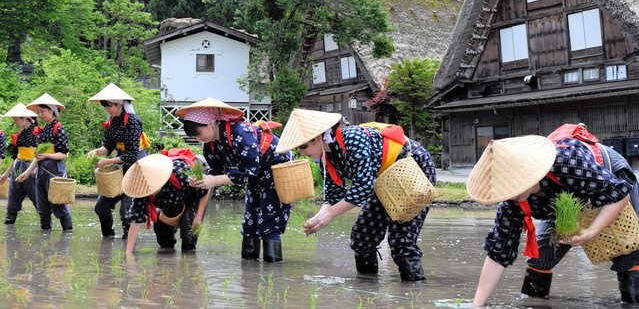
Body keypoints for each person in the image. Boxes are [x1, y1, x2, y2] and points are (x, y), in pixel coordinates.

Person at [468, 126, 639, 306]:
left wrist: (589, 233)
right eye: (506, 190)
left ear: (527, 173)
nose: (512, 195)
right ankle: (533, 303)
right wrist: (476, 305)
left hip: (607, 175)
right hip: (562, 201)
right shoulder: (512, 202)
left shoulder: (566, 163)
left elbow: (620, 195)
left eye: (514, 186)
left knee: (629, 253)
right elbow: (498, 254)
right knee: (539, 258)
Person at [275, 108, 437, 281]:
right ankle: (367, 293)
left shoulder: (352, 138)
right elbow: (334, 195)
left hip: (412, 169)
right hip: (383, 180)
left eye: (303, 146)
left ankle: (414, 295)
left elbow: (363, 187)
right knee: (362, 237)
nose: (302, 152)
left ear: (318, 137)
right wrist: (318, 218)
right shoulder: (325, 158)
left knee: (401, 241)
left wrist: (329, 214)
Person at [177, 97, 293, 263]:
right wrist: (200, 179)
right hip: (254, 175)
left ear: (211, 124)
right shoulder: (210, 144)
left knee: (269, 220)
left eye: (198, 133)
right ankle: (250, 275)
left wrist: (215, 180)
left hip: (275, 169)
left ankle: (272, 272)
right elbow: (215, 172)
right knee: (249, 222)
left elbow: (251, 172)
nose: (198, 138)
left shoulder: (240, 132)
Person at [87, 83, 150, 239]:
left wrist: (106, 162)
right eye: (105, 107)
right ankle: (108, 239)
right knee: (101, 207)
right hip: (119, 163)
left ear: (119, 104)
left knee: (126, 211)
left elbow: (131, 154)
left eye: (109, 106)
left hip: (136, 164)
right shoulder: (112, 121)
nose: (107, 110)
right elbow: (107, 146)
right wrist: (97, 152)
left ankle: (128, 247)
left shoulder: (133, 121)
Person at [122, 153, 209, 255]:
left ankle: (189, 260)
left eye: (153, 187)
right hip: (173, 198)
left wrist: (198, 217)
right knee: (161, 229)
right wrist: (128, 253)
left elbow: (205, 189)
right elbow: (135, 220)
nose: (150, 191)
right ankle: (168, 258)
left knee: (188, 230)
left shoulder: (181, 173)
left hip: (196, 189)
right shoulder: (142, 189)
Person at [17, 94, 73, 231]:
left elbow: (63, 154)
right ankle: (45, 238)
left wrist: (47, 155)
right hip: (41, 172)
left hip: (54, 171)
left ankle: (68, 234)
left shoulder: (58, 128)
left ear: (51, 110)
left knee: (57, 203)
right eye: (38, 112)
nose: (39, 115)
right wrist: (27, 172)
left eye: (42, 111)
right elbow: (37, 157)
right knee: (42, 205)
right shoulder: (43, 130)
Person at [0, 103, 39, 224]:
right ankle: (9, 229)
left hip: (31, 169)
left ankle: (47, 228)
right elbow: (14, 157)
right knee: (12, 203)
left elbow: (40, 155)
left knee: (38, 201)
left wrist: (36, 169)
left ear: (25, 118)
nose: (15, 122)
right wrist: (6, 174)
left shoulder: (38, 133)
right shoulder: (20, 135)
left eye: (16, 119)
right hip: (18, 168)